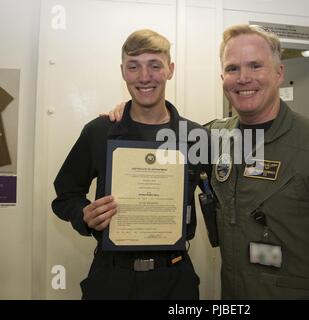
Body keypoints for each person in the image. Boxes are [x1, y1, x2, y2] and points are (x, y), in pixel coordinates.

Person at [108, 25, 309, 299]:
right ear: (222, 78)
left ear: (279, 72)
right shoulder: (211, 138)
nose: (243, 78)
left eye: (255, 65)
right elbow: (161, 145)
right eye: (232, 68)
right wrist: (131, 113)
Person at [52, 29, 209, 299]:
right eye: (133, 66)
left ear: (170, 70)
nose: (144, 77)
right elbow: (65, 194)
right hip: (111, 279)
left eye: (154, 66)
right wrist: (85, 215)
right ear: (123, 71)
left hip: (175, 280)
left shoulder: (195, 138)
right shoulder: (99, 132)